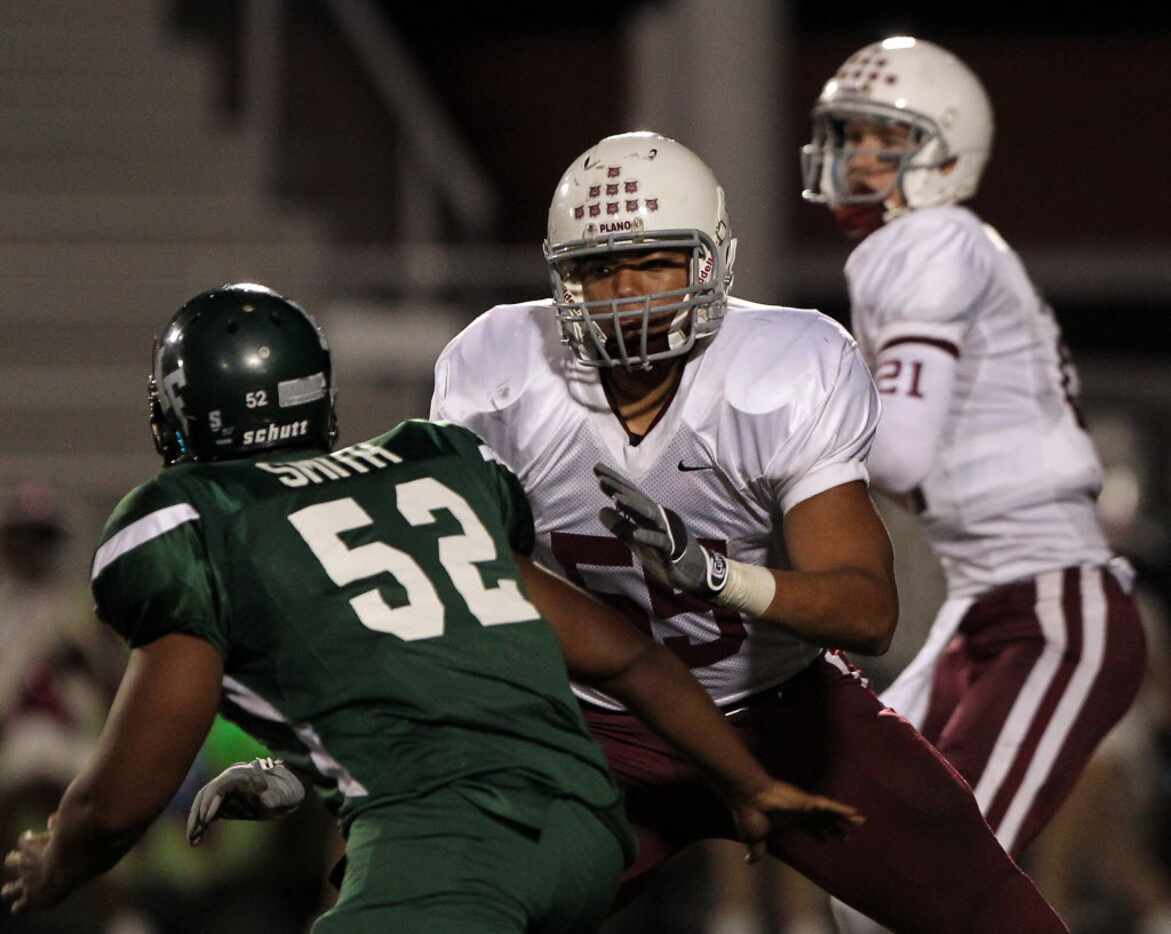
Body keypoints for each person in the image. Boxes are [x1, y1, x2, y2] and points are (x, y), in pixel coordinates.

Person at [1, 283, 863, 933]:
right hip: (584, 828)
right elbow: (628, 657)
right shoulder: (426, 471)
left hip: (449, 837)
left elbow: (118, 799)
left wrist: (56, 868)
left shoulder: (199, 525)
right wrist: (745, 785)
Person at [428, 129, 1069, 932]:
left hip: (778, 711)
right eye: (597, 267)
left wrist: (716, 576)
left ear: (709, 263)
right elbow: (454, 590)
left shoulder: (784, 364)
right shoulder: (497, 368)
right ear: (561, 279)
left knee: (997, 918)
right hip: (589, 728)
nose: (626, 290)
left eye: (655, 261)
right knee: (432, 911)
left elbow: (866, 613)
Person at [799, 36, 1148, 932]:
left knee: (922, 884)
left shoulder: (933, 239)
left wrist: (785, 433)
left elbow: (901, 453)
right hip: (988, 603)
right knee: (860, 880)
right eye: (845, 135)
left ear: (944, 154)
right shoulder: (917, 246)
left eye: (880, 138)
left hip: (1050, 610)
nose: (852, 158)